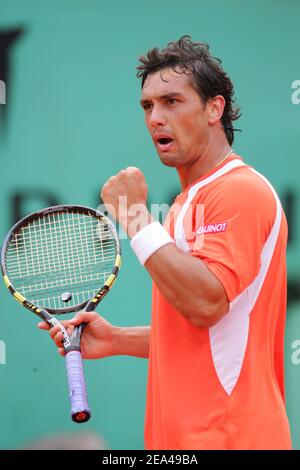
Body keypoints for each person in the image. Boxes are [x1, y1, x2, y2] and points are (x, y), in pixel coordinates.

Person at [39, 36, 292, 450]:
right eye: (147, 106)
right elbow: (212, 338)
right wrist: (118, 339)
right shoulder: (185, 204)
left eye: (172, 101)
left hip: (230, 439)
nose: (156, 117)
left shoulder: (239, 191)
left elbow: (206, 304)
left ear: (215, 108)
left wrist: (134, 215)